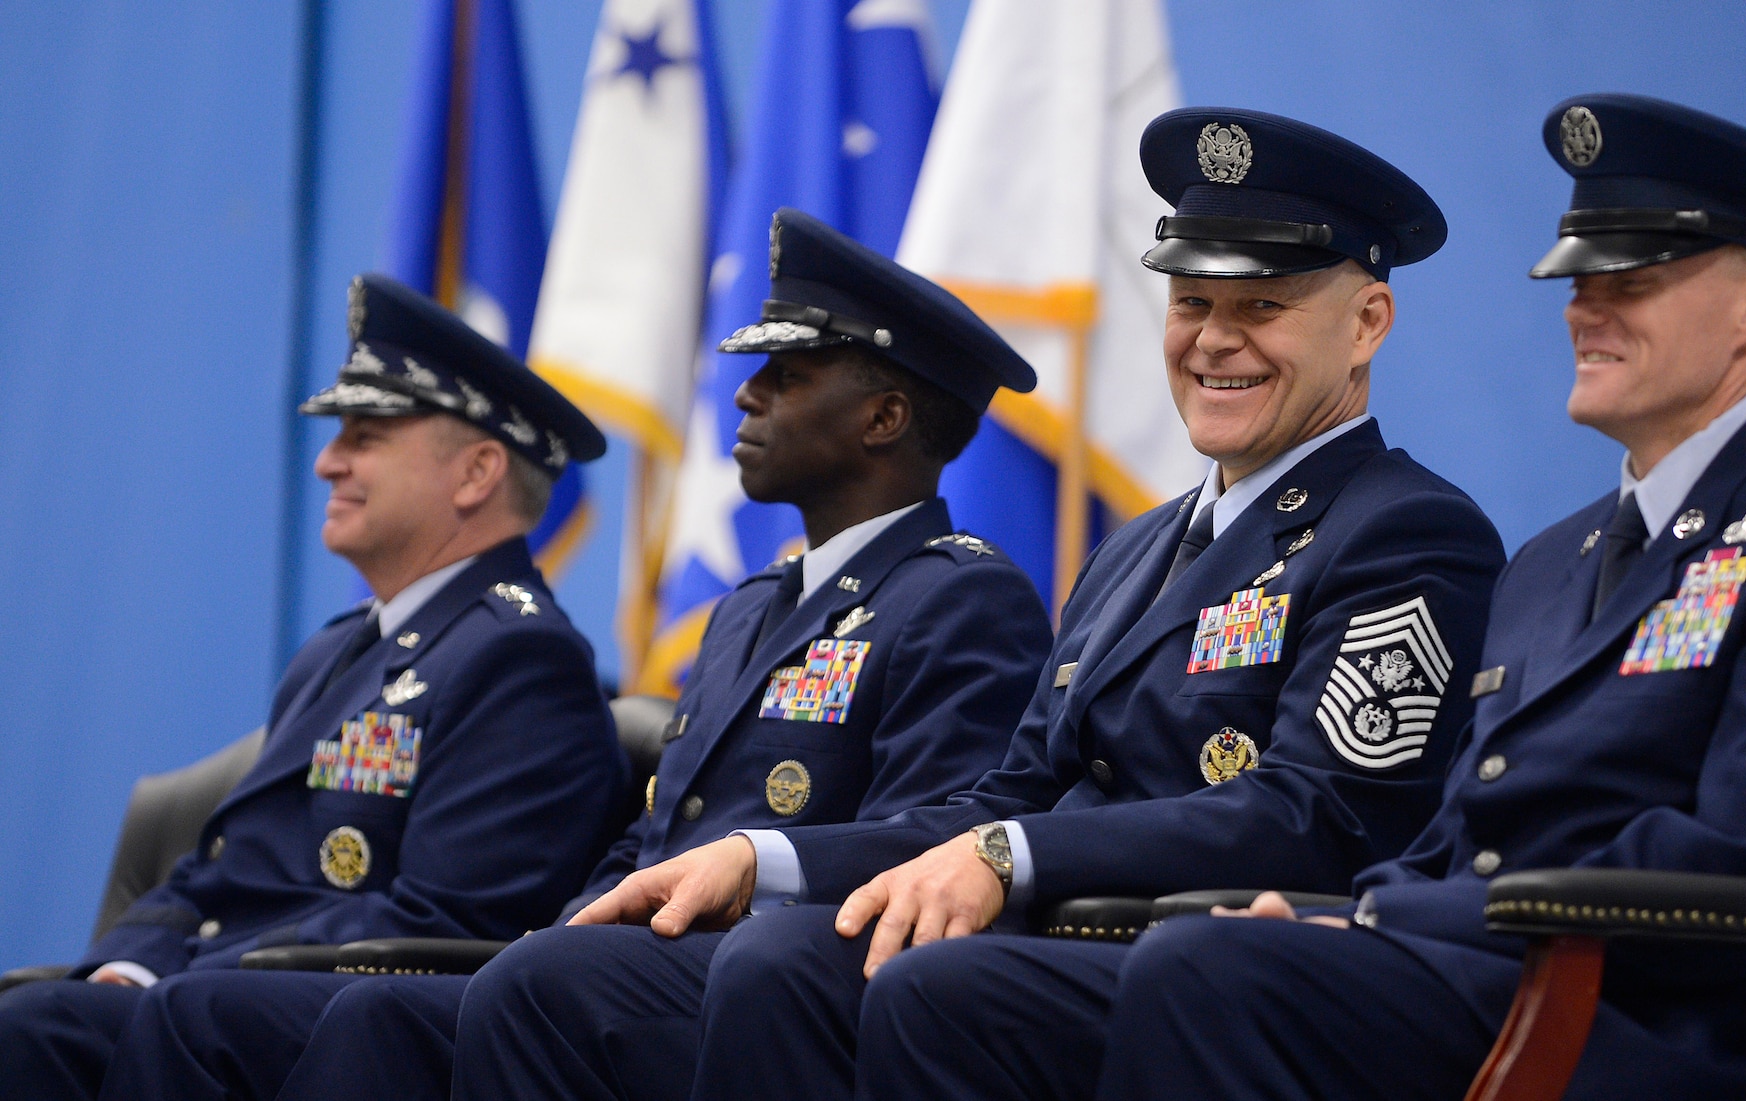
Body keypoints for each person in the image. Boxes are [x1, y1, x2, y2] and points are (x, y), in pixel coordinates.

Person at [582, 107, 1508, 1101]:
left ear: (1365, 322)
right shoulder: (1133, 549)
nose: (1213, 341)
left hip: (1219, 966)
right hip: (1074, 944)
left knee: (921, 987)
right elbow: (1010, 793)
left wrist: (1005, 855)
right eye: (1190, 303)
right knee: (785, 958)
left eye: (1260, 308)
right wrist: (764, 858)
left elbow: (1314, 812)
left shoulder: (1406, 529)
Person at [1090, 94, 1746, 1101]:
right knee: (1055, 978)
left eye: (1627, 282)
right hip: (1489, 974)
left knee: (1202, 970)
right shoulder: (1552, 557)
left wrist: (1382, 922)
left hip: (1659, 1025)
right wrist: (1346, 912)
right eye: (1578, 280)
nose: (1581, 310)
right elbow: (1459, 827)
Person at [94, 208, 1055, 1101]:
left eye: (788, 377)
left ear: (883, 419)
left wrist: (747, 873)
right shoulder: (753, 606)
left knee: (474, 991)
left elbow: (938, 833)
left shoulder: (961, 593)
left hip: (783, 976)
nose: (747, 393)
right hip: (648, 959)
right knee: (383, 1013)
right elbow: (654, 834)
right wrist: (579, 918)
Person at [0, 273, 627, 1101]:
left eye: (367, 435)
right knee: (34, 1019)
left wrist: (194, 973)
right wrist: (130, 965)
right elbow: (217, 866)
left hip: (325, 1020)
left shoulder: (521, 657)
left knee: (129, 1021)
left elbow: (448, 921)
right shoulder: (337, 650)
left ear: (477, 472)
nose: (329, 460)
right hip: (218, 996)